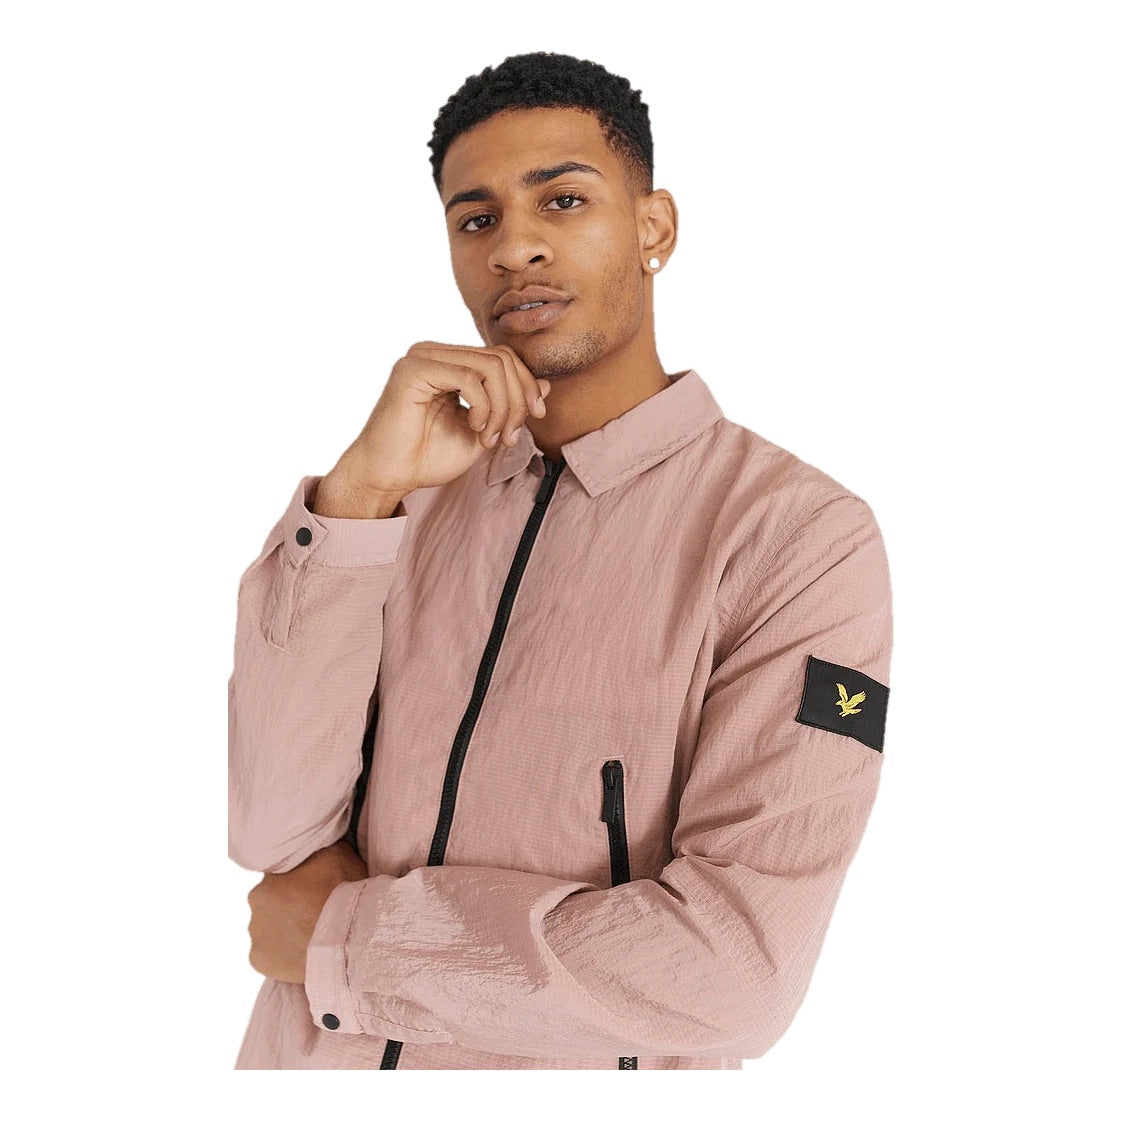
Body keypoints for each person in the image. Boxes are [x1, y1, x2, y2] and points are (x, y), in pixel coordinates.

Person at [229, 50, 893, 1071]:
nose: (515, 247)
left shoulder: (797, 537)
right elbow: (274, 831)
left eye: (563, 200)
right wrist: (356, 495)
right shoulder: (400, 500)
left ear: (653, 226)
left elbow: (732, 974)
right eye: (475, 219)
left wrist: (346, 945)